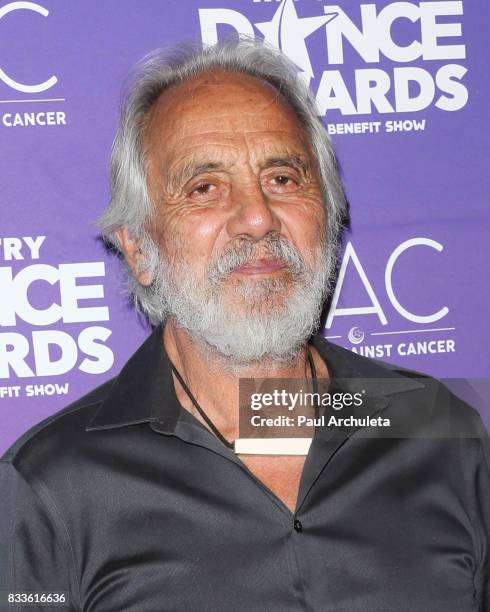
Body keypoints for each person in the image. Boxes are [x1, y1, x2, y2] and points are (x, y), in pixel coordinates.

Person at [0, 38, 488, 612]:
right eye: (204, 188)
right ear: (138, 248)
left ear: (328, 216)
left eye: (283, 178)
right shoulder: (49, 487)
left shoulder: (439, 430)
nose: (257, 218)